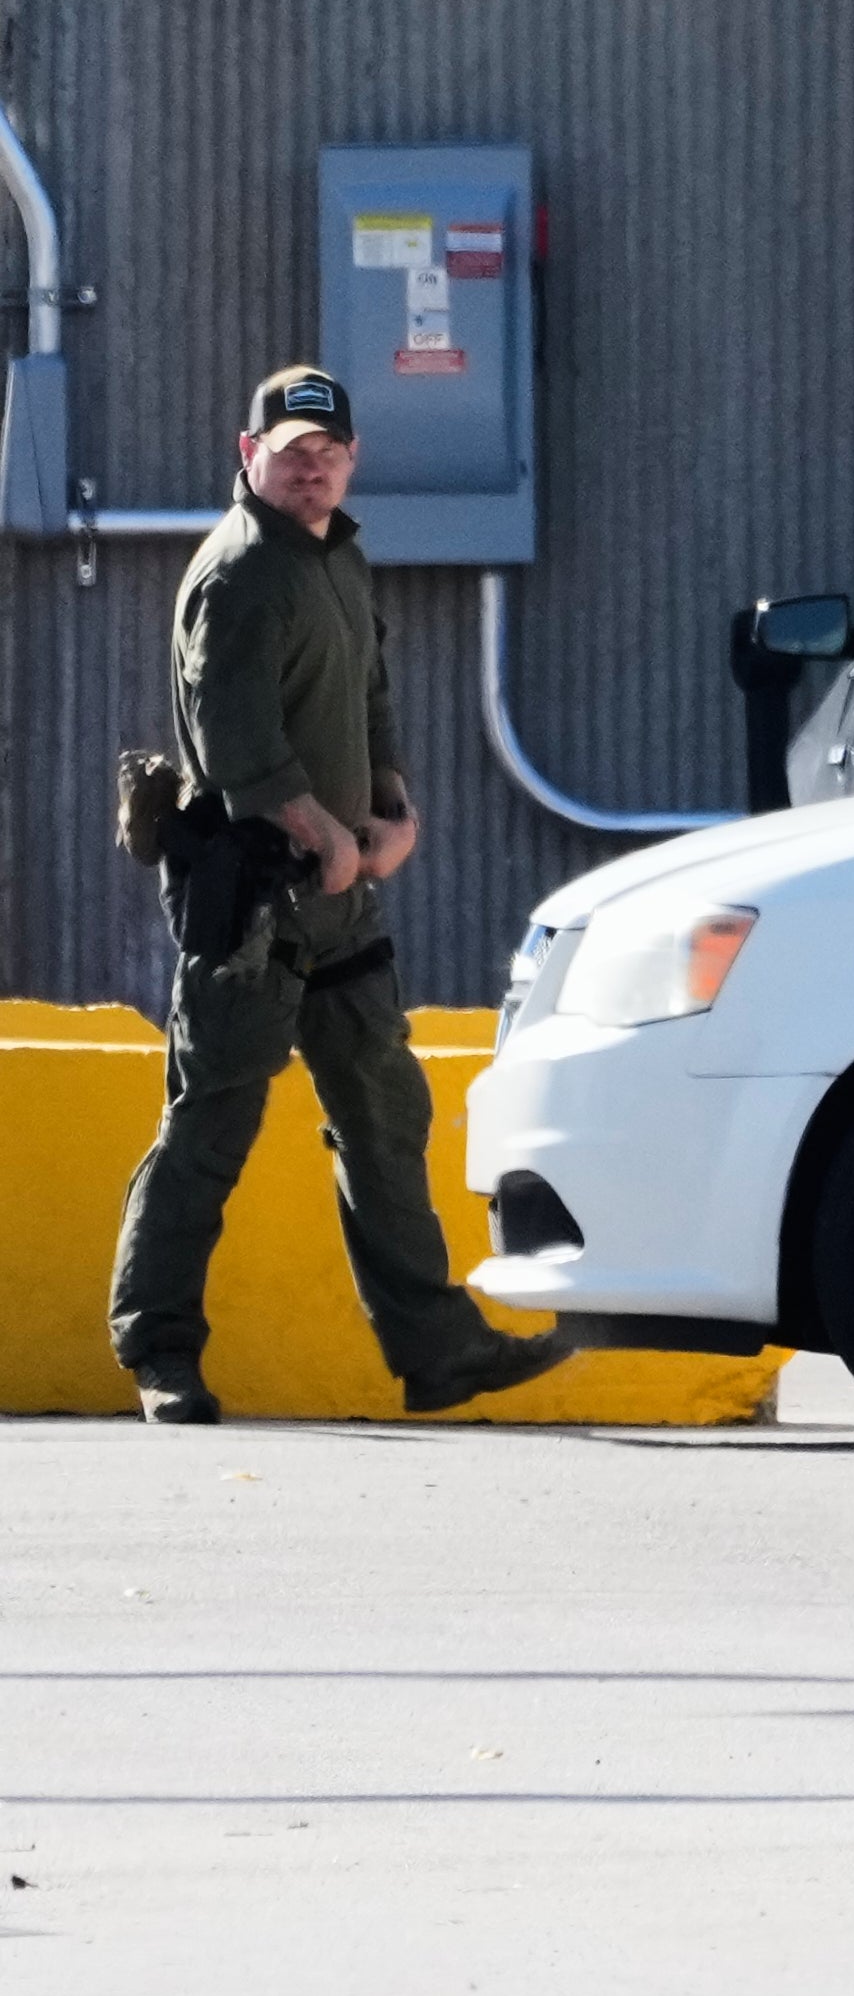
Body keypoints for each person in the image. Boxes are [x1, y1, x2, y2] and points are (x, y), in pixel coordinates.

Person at [110, 366, 573, 1426]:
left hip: (337, 898)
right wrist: (324, 837)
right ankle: (159, 1350)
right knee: (213, 1123)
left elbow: (369, 699)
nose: (309, 462)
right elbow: (241, 753)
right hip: (254, 904)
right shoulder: (238, 575)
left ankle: (436, 1351)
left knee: (382, 1112)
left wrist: (393, 814)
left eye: (326, 448)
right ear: (248, 452)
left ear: (351, 457)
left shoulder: (338, 557)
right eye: (288, 447)